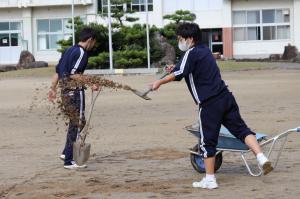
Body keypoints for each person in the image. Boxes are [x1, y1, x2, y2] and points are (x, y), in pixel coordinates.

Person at [150, 23, 273, 189]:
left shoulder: (191, 53)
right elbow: (184, 68)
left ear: (190, 39)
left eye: (180, 39)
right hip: (226, 97)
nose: (180, 42)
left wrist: (159, 82)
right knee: (242, 130)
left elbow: (179, 73)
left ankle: (209, 179)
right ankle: (261, 157)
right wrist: (175, 68)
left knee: (207, 141)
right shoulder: (204, 50)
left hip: (209, 104)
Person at [48, 27, 100, 169]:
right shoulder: (81, 53)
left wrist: (52, 88)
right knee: (77, 124)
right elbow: (73, 73)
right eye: (94, 42)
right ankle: (69, 161)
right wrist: (92, 83)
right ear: (90, 40)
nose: (93, 45)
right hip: (75, 92)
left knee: (77, 122)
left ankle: (66, 152)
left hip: (64, 92)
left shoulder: (69, 50)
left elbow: (58, 72)